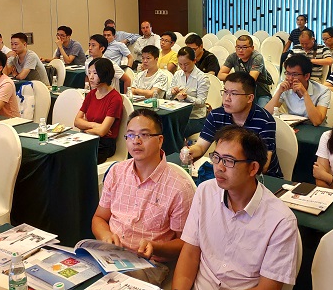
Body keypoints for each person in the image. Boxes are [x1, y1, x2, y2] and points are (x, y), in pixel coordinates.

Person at [173, 125, 299, 290]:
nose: (219, 167)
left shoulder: (281, 221)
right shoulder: (205, 191)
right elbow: (189, 254)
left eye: (228, 161)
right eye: (216, 157)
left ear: (253, 168)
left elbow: (268, 287)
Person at [92, 109, 195, 286]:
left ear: (160, 140)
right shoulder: (117, 172)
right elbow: (99, 218)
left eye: (144, 135)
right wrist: (106, 235)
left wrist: (155, 247)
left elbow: (186, 244)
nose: (136, 141)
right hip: (110, 255)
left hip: (148, 264)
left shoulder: (179, 187)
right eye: (131, 135)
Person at [184, 72, 281, 178]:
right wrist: (190, 152)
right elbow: (201, 147)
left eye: (234, 94)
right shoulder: (216, 115)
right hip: (227, 172)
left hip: (261, 178)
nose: (227, 98)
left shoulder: (265, 121)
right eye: (225, 92)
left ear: (250, 98)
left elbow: (264, 166)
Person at [75, 58, 124, 163]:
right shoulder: (91, 94)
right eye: (89, 73)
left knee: (77, 159)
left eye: (95, 73)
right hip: (88, 138)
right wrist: (95, 125)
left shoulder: (115, 98)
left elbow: (102, 132)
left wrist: (85, 129)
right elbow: (77, 121)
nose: (91, 77)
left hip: (104, 145)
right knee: (65, 154)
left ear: (105, 74)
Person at [265, 54, 330, 126]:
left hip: (315, 129)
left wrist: (305, 94)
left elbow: (317, 121)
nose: (290, 78)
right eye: (287, 73)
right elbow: (266, 114)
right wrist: (279, 92)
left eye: (294, 74)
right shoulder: (284, 87)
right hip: (294, 126)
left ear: (306, 76)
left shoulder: (323, 91)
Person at [218, 35, 273, 106]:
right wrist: (237, 78)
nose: (240, 50)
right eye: (238, 47)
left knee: (261, 112)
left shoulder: (257, 57)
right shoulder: (233, 57)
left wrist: (234, 78)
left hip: (260, 93)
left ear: (252, 48)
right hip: (240, 93)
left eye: (244, 47)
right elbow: (220, 75)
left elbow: (251, 79)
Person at [167, 47, 210, 137]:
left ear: (194, 61)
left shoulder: (202, 78)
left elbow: (201, 102)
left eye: (186, 64)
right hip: (178, 115)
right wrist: (172, 92)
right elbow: (167, 96)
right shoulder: (177, 74)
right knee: (164, 126)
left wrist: (187, 97)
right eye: (180, 64)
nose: (183, 67)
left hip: (195, 117)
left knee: (175, 131)